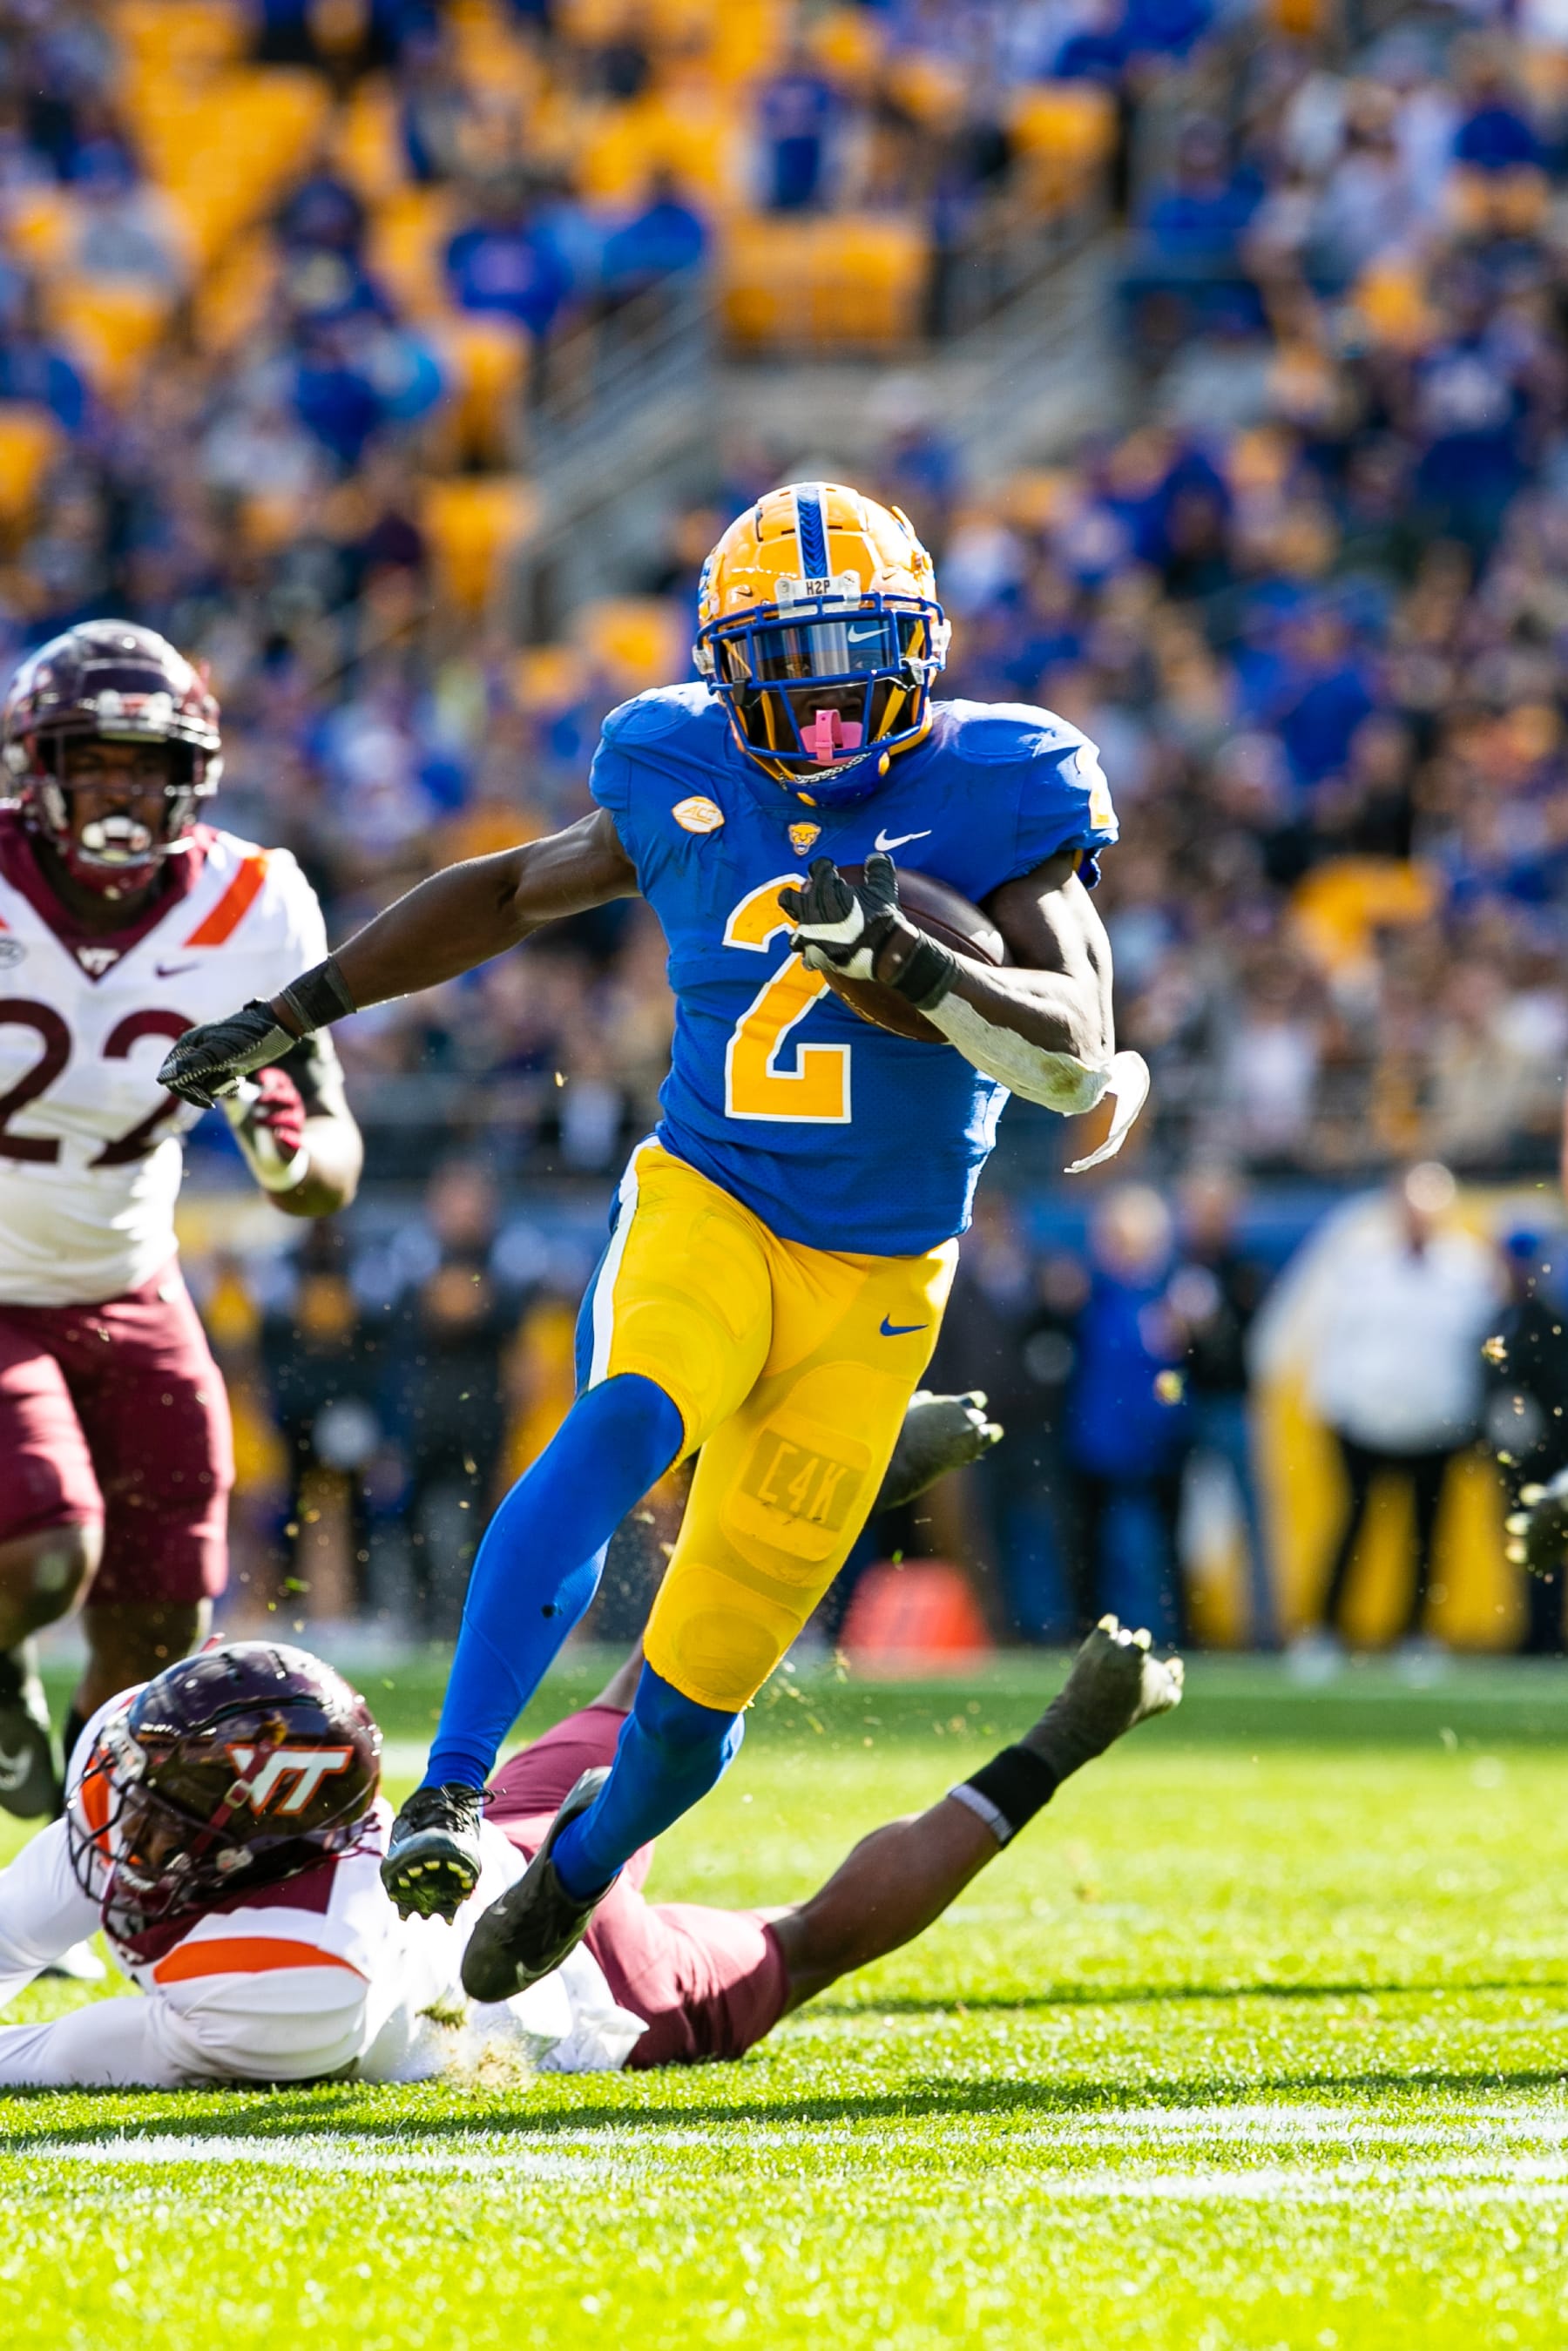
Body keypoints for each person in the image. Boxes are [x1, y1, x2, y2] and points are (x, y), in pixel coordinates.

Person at [159, 481, 1150, 2003]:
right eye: (784, 664)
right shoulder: (674, 758)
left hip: (883, 1274)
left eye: (848, 658)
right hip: (713, 1192)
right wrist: (302, 1006)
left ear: (918, 646)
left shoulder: (1006, 779)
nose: (819, 703)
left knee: (701, 1689)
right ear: (723, 667)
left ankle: (575, 1867)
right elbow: (508, 889)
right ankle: (452, 1783)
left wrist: (908, 957)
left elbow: (1076, 1042)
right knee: (628, 1417)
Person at [0, 1612, 1181, 2089]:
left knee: (805, 1942)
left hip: (578, 1990)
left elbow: (36, 2054)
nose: (117, 1822)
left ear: (258, 1840)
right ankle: (817, 1520)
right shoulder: (162, 1798)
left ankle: (1064, 1735)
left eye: (163, 1810)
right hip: (510, 1853)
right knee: (645, 1696)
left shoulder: (290, 1979)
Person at [0, 622, 363, 1823]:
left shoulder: (254, 901)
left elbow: (331, 1156)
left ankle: (79, 1849)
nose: (120, 789)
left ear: (191, 775)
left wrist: (286, 1155)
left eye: (146, 764)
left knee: (164, 1614)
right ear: (35, 767)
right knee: (42, 1544)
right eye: (93, 760)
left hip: (128, 1275)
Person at [1303, 1162, 1501, 1663]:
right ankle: (1325, 1631)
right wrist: (1332, 1405)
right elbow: (1338, 1339)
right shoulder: (1363, 1261)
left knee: (1427, 1536)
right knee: (1353, 1528)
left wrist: (1473, 1418)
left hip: (1436, 1425)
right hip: (1365, 1421)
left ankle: (1416, 1635)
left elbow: (1481, 1350)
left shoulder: (1468, 1268)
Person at [1170, 1165, 1277, 1648]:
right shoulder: (1174, 1265)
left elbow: (1243, 1345)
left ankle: (1264, 1629)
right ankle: (1181, 1626)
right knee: (1175, 1520)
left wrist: (1211, 1326)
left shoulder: (1246, 1271)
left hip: (1231, 1404)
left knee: (1253, 1521)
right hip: (1182, 1407)